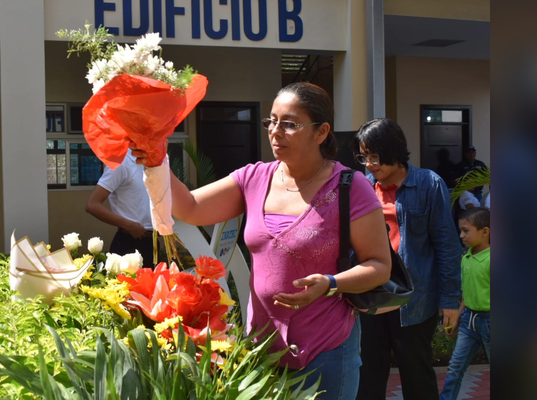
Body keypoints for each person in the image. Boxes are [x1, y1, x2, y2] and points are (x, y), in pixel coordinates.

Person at [132, 82, 392, 400]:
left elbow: (379, 266)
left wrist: (329, 283)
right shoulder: (254, 179)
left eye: (290, 124)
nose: (276, 131)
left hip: (325, 351)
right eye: (272, 121)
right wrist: (157, 157)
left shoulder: (350, 187)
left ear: (322, 132)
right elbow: (189, 208)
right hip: (262, 351)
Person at [353, 118, 462, 400]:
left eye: (374, 156)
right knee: (368, 376)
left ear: (395, 151)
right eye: (363, 156)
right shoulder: (361, 187)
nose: (369, 164)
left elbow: (447, 245)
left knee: (417, 376)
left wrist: (450, 299)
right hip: (371, 297)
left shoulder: (428, 183)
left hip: (414, 299)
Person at [440, 207, 490, 400]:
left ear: (485, 232)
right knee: (455, 367)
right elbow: (465, 294)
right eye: (460, 230)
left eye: (466, 231)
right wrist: (458, 317)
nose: (461, 235)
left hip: (490, 322)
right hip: (469, 320)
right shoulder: (466, 257)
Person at [86, 149, 155, 267]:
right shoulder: (121, 163)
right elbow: (92, 205)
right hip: (129, 242)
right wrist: (130, 225)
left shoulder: (152, 162)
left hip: (151, 242)